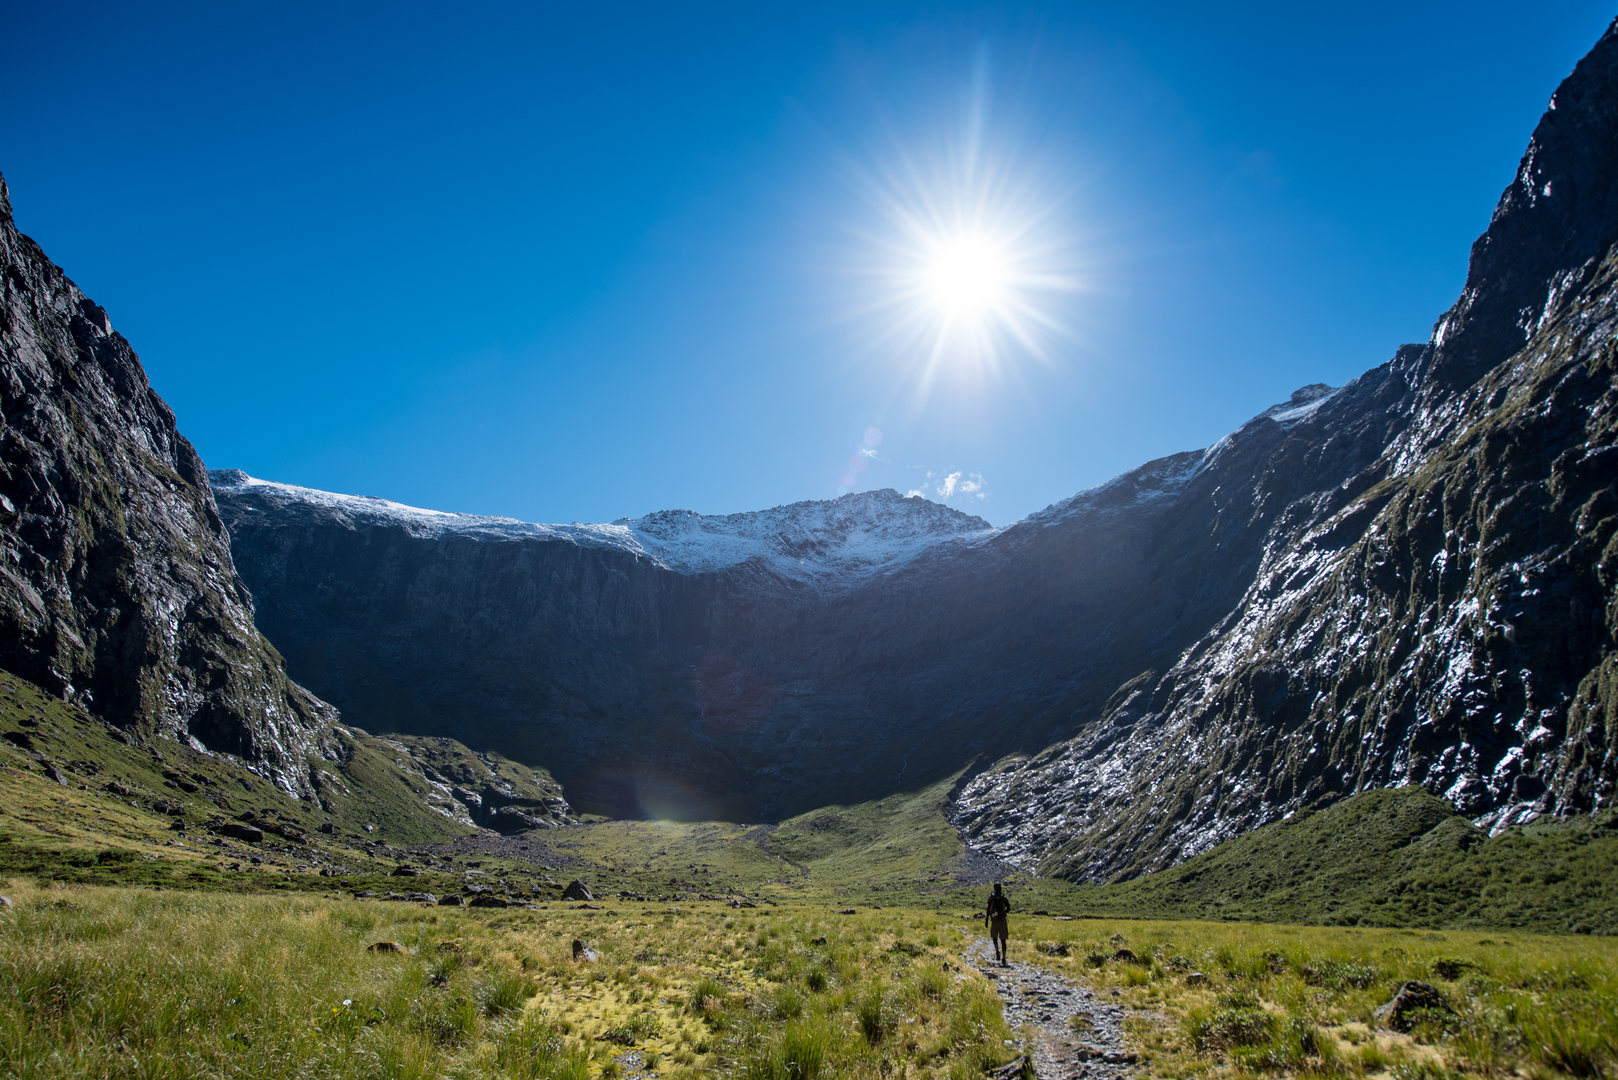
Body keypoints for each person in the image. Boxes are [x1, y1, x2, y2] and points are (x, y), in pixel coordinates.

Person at [984, 882, 1011, 965]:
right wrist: (1004, 912)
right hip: (1002, 920)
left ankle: (997, 952)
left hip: (994, 920)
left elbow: (988, 909)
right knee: (1003, 939)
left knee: (994, 937)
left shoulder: (991, 897)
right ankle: (1004, 957)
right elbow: (1008, 908)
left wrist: (987, 920)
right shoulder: (1003, 897)